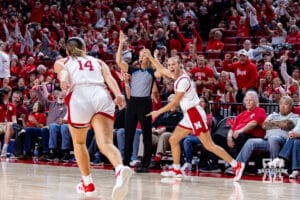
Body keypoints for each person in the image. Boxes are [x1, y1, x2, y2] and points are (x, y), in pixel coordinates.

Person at [146, 53, 244, 181]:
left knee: (209, 145)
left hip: (195, 114)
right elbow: (161, 70)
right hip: (189, 114)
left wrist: (157, 112)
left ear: (179, 65)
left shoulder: (183, 81)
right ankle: (176, 170)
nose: (170, 67)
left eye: (173, 64)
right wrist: (151, 57)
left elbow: (175, 103)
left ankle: (237, 165)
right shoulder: (176, 75)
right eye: (169, 65)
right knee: (173, 140)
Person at [54, 37, 132, 199]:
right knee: (106, 142)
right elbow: (109, 78)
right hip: (101, 95)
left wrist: (63, 81)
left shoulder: (63, 61)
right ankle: (119, 169)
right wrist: (118, 94)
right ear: (85, 49)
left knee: (79, 142)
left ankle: (88, 184)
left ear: (67, 51)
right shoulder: (98, 61)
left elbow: (63, 73)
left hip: (80, 96)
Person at [116, 31, 159, 173]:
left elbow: (160, 70)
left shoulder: (152, 72)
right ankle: (125, 162)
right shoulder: (133, 70)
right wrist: (121, 43)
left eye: (144, 55)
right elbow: (118, 61)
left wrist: (152, 57)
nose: (142, 57)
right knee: (128, 133)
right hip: (132, 103)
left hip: (145, 103)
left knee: (146, 135)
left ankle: (145, 164)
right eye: (141, 55)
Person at [235, 96, 299, 177]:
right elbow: (264, 125)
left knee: (273, 139)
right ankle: (238, 166)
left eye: (285, 104)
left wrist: (273, 123)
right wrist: (280, 124)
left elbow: (287, 125)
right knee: (251, 142)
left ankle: (275, 170)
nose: (282, 106)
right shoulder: (273, 114)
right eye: (281, 104)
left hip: (283, 142)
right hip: (266, 140)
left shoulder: (294, 116)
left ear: (290, 106)